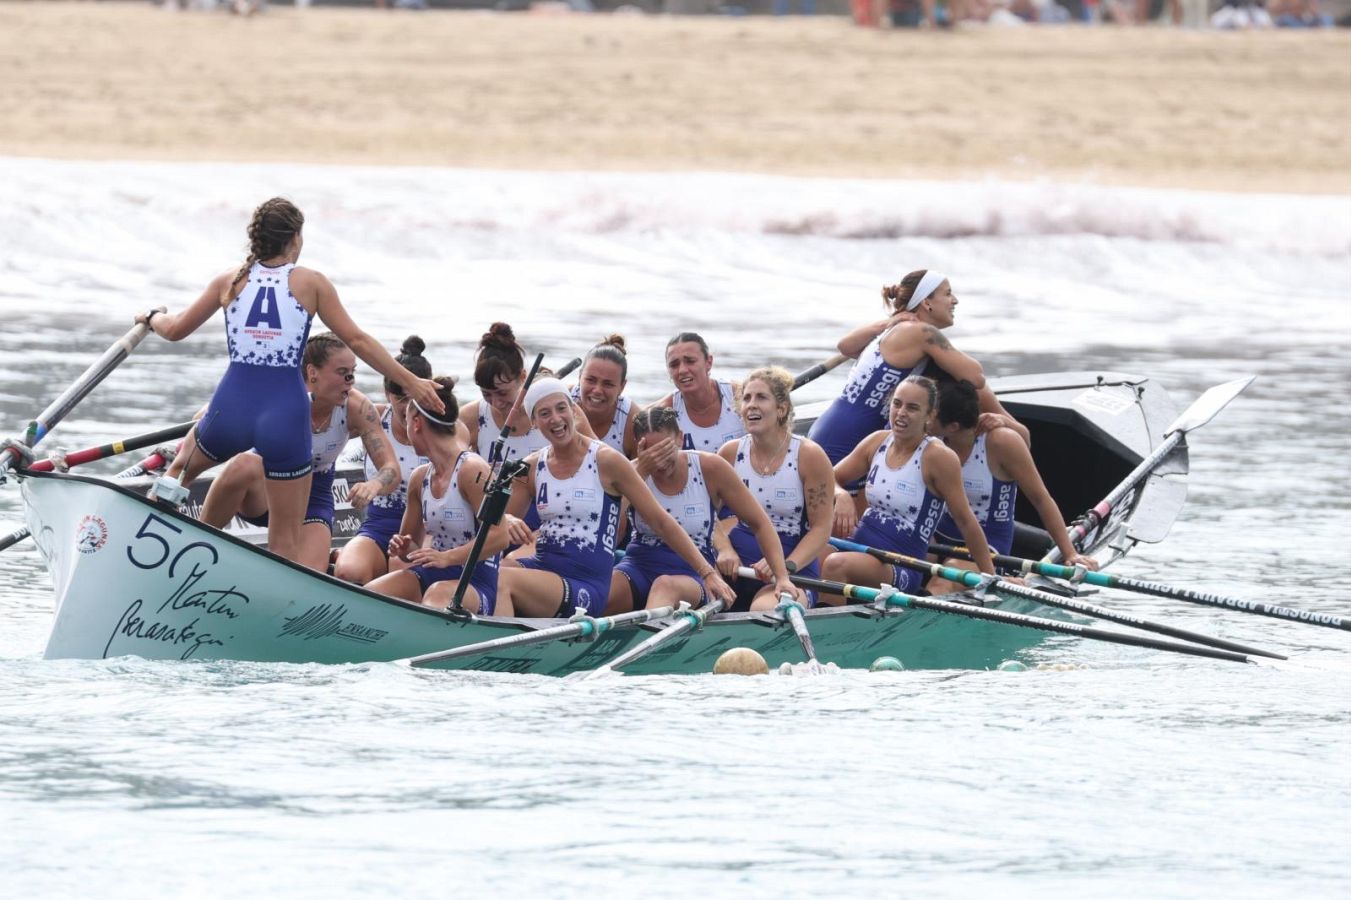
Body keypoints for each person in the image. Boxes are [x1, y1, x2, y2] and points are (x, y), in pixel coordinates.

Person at [140, 197, 443, 565]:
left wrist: (151, 316)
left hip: (230, 405)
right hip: (285, 415)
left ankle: (145, 544)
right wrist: (410, 382)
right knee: (284, 542)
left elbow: (173, 331)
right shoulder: (310, 282)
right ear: (295, 238)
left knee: (175, 477)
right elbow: (359, 340)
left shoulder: (229, 281)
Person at [495, 378, 736, 618]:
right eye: (545, 413)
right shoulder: (531, 467)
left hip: (585, 585)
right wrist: (506, 518)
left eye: (561, 408)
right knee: (494, 571)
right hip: (544, 568)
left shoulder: (607, 460)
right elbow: (495, 529)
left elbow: (661, 521)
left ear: (573, 411)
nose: (556, 419)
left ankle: (498, 651)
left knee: (503, 580)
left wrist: (707, 573)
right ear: (534, 423)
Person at [196, 333, 399, 572]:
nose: (351, 380)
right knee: (244, 464)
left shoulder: (356, 407)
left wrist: (374, 485)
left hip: (312, 496)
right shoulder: (279, 393)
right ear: (313, 373)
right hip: (265, 490)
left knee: (307, 575)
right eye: (342, 372)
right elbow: (204, 420)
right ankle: (197, 544)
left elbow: (391, 470)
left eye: (353, 372)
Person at [807, 269, 1026, 472]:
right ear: (927, 302)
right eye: (948, 293)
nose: (955, 300)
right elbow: (976, 377)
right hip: (847, 437)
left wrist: (886, 323)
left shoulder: (894, 329)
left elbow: (846, 346)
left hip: (835, 428)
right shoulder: (920, 332)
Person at [607, 406, 802, 615]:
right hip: (638, 565)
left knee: (665, 585)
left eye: (666, 449)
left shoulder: (709, 467)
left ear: (680, 438)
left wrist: (781, 577)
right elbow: (612, 535)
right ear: (639, 447)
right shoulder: (628, 472)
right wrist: (639, 474)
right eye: (652, 453)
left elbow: (760, 523)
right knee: (605, 594)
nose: (660, 462)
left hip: (694, 572)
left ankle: (647, 641)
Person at [824, 375, 996, 599]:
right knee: (814, 555)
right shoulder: (877, 441)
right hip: (860, 547)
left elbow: (965, 520)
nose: (901, 412)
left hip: (902, 565)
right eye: (897, 403)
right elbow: (829, 479)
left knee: (835, 565)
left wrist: (991, 578)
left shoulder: (938, 457)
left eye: (913, 408)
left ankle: (836, 630)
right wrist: (842, 494)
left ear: (930, 415)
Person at [926, 380, 1098, 594]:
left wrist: (1069, 553)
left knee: (942, 581)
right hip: (938, 533)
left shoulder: (1001, 441)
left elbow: (1040, 498)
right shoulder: (932, 438)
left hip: (989, 543)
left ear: (953, 426)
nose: (923, 418)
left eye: (929, 414)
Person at [366, 378, 506, 614]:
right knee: (368, 597)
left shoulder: (473, 470)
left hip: (475, 581)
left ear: (417, 423)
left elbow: (499, 537)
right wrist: (403, 547)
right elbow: (412, 548)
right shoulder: (419, 478)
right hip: (432, 574)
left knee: (436, 596)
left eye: (407, 421)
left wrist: (447, 558)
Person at [714, 367, 834, 612]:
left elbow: (821, 529)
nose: (751, 405)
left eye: (761, 397)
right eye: (746, 398)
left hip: (793, 571)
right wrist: (725, 549)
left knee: (763, 611)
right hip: (736, 567)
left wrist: (785, 566)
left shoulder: (809, 455)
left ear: (782, 409)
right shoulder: (729, 453)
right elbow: (707, 516)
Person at [333, 336, 433, 585]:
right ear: (386, 392)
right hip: (379, 525)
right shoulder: (372, 418)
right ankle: (344, 558)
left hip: (429, 530)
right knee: (348, 573)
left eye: (414, 398)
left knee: (402, 570)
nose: (407, 406)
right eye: (400, 397)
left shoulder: (446, 428)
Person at [458, 322, 548, 468]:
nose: (496, 403)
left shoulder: (550, 412)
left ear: (522, 377)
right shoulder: (470, 417)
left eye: (502, 393)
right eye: (486, 394)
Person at [654, 332, 745, 453]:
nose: (682, 370)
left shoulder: (740, 396)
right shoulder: (662, 413)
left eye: (690, 361)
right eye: (674, 365)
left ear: (709, 362)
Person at [570, 334, 637, 457]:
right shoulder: (562, 398)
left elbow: (639, 475)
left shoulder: (632, 421)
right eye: (591, 380)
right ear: (579, 377)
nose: (597, 390)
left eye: (608, 384)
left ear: (622, 387)